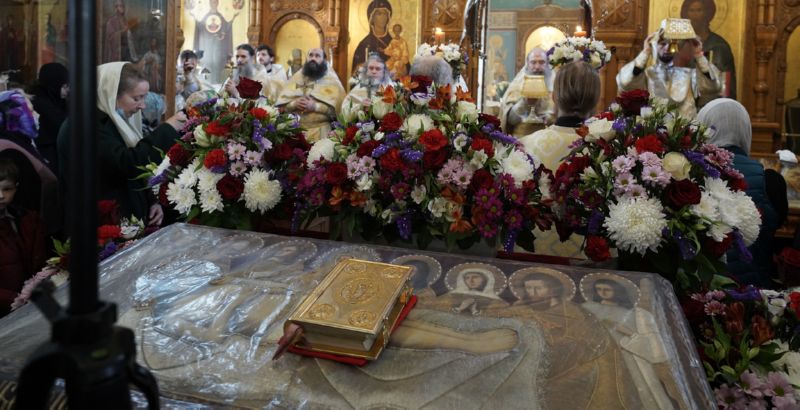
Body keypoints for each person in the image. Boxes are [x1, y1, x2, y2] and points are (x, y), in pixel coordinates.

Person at [58, 62, 186, 224]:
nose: (143, 105)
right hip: (99, 221)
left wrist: (151, 201)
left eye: (144, 97)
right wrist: (169, 128)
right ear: (111, 94)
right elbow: (127, 162)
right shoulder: (84, 125)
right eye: (136, 98)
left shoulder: (112, 119)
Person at [698, 98, 785, 287]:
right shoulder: (770, 180)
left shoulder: (686, 174)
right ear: (746, 130)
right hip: (755, 293)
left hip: (699, 292)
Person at [518, 61, 600, 259]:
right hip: (588, 262)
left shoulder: (524, 146)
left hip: (528, 258)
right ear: (596, 100)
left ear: (554, 97)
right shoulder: (605, 151)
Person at [617, 18, 723, 119]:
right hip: (654, 128)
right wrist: (645, 52)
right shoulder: (647, 75)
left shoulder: (689, 75)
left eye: (671, 44)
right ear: (654, 46)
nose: (667, 48)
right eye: (662, 44)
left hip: (685, 129)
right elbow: (626, 83)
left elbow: (713, 87)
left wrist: (698, 55)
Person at [0, 158, 46, 317]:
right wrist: (16, 299)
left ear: (16, 188)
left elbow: (39, 262)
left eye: (7, 189)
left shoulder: (28, 220)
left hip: (33, 304)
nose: (1, 195)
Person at [276, 48, 345, 143]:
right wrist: (294, 104)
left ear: (324, 60)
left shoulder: (332, 81)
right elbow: (281, 108)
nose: (313, 58)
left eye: (317, 56)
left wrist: (315, 106)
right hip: (296, 133)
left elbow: (338, 112)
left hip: (322, 133)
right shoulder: (296, 78)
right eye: (311, 55)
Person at [681, 0, 736, 103]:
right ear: (686, 14)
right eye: (691, 10)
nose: (695, 15)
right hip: (684, 104)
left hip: (711, 104)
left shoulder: (719, 46)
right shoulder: (680, 44)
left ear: (707, 13)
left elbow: (725, 85)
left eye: (699, 10)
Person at [500, 48, 555, 138]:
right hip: (522, 138)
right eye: (533, 62)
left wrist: (547, 118)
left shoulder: (555, 85)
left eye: (541, 62)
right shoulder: (517, 86)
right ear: (527, 64)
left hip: (548, 138)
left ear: (547, 64)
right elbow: (510, 120)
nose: (537, 67)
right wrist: (525, 102)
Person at [28, 63, 68, 176]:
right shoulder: (41, 104)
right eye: (64, 87)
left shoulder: (58, 102)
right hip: (47, 157)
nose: (67, 90)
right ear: (53, 86)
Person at [192, 0, 238, 84]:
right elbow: (201, 27)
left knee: (217, 65)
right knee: (207, 66)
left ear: (217, 3)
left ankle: (217, 83)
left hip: (218, 47)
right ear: (209, 3)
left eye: (215, 2)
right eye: (212, 2)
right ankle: (207, 83)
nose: (213, 4)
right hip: (207, 47)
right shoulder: (206, 16)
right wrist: (195, 20)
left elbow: (226, 27)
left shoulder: (220, 17)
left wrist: (232, 20)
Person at [352, 0, 394, 76]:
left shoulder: (394, 43)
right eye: (379, 14)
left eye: (385, 14)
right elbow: (355, 75)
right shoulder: (364, 45)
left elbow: (406, 69)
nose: (383, 17)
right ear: (372, 18)